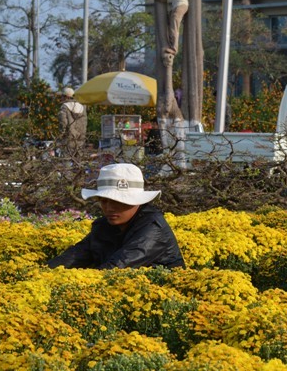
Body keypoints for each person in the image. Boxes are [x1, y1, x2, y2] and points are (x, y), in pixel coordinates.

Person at [48, 163, 185, 270]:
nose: (109, 208)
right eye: (104, 201)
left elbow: (118, 267)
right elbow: (75, 256)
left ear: (137, 201)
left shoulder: (153, 228)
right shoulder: (104, 226)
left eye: (118, 201)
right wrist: (42, 274)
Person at [58, 87, 88, 157]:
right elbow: (85, 123)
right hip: (81, 138)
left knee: (67, 160)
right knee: (79, 159)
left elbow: (63, 122)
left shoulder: (64, 107)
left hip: (69, 137)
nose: (61, 98)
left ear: (66, 97)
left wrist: (62, 134)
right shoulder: (82, 107)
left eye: (62, 96)